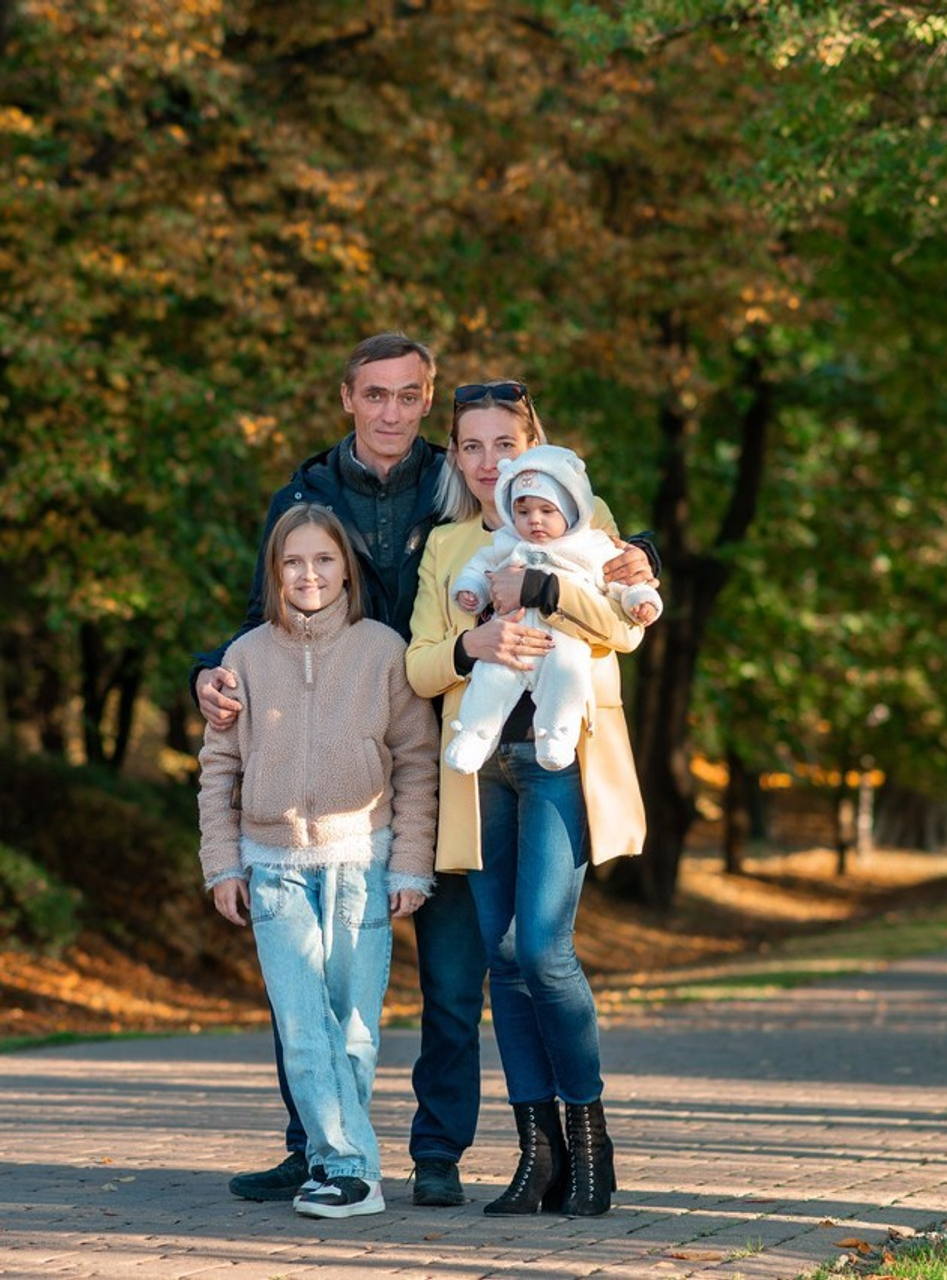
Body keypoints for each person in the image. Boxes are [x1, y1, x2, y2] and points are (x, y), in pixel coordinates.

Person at [193, 335, 658, 1208]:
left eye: (410, 396)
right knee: (345, 983)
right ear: (348, 398)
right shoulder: (328, 500)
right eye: (376, 395)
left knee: (498, 968)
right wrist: (205, 673)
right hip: (420, 770)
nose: (393, 412)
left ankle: (471, 1150)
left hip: (516, 761)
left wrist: (638, 557)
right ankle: (338, 1150)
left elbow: (612, 574)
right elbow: (279, 618)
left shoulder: (526, 507)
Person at [406, 379, 651, 1217]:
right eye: (470, 447)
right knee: (502, 964)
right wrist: (472, 643)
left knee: (543, 949)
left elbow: (623, 628)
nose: (487, 463)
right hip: (480, 769)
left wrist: (545, 592)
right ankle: (536, 1155)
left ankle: (591, 1143)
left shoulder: (585, 519)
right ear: (455, 456)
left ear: (531, 446)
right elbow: (418, 665)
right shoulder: (446, 547)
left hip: (560, 761)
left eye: (502, 445)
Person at [197, 504, 437, 1219]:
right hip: (273, 870)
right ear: (275, 573)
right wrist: (221, 865)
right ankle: (350, 1170)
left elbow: (418, 764)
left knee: (355, 1031)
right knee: (304, 1031)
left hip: (363, 862)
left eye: (323, 560)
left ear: (346, 569)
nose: (309, 574)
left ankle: (342, 1167)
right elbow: (216, 768)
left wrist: (412, 867)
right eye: (293, 562)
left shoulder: (382, 650)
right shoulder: (243, 658)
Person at [446, 443, 662, 774]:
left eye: (547, 511)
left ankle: (557, 736)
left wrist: (642, 601)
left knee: (568, 675)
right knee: (489, 679)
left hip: (561, 640)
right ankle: (474, 737)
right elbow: (480, 566)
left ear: (571, 510)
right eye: (523, 512)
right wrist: (470, 589)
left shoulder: (591, 547)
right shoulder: (507, 542)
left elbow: (623, 583)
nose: (534, 521)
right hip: (510, 639)